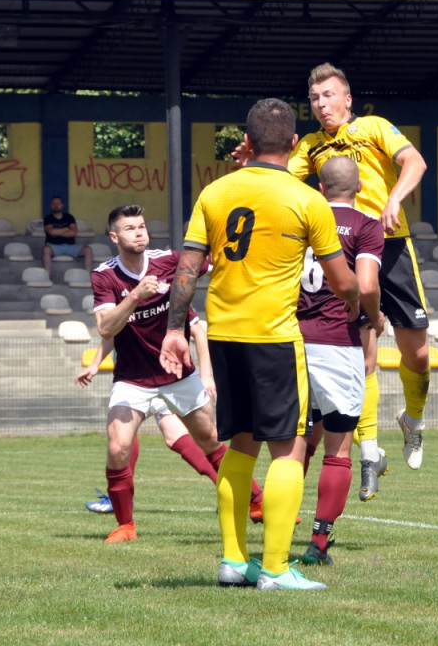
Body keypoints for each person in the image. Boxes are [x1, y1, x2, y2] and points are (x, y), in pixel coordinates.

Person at [160, 98, 359, 592]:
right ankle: (274, 568)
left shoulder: (215, 191)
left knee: (240, 446)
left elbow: (187, 270)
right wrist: (363, 302)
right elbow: (341, 282)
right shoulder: (307, 199)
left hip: (224, 335)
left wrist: (173, 329)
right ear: (294, 144)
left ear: (246, 142)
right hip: (273, 338)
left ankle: (233, 560)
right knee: (289, 450)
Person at [239, 62, 430, 471]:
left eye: (328, 96)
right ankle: (365, 451)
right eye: (314, 98)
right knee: (363, 355)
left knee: (419, 355)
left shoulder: (376, 127)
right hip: (340, 254)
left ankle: (412, 420)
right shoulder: (308, 145)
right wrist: (249, 163)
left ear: (347, 98)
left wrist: (395, 197)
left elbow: (415, 163)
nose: (321, 104)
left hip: (391, 245)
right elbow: (274, 179)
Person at [90, 204, 225, 543]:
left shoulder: (171, 261)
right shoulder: (104, 276)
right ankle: (126, 526)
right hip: (133, 378)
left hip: (178, 372)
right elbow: (106, 328)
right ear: (114, 236)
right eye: (130, 228)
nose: (139, 232)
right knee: (118, 444)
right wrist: (136, 295)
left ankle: (256, 501)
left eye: (142, 226)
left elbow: (215, 262)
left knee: (209, 439)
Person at [297, 156, 386, 566]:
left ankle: (276, 528)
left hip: (291, 340)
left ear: (320, 187)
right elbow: (365, 284)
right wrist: (374, 315)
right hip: (336, 344)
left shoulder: (301, 219)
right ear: (361, 188)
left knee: (294, 443)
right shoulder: (366, 226)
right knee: (338, 448)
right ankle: (318, 543)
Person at [78, 334, 269, 519]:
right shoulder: (125, 306)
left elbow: (198, 331)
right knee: (173, 437)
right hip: (141, 377)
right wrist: (95, 364)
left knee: (203, 440)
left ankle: (254, 498)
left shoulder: (166, 302)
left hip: (163, 378)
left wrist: (206, 375)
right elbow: (110, 331)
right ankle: (256, 499)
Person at [42, 195, 93, 273]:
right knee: (46, 250)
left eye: (58, 203)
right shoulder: (48, 218)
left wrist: (57, 232)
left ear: (62, 205)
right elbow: (51, 232)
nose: (56, 205)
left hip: (70, 246)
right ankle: (46, 275)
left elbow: (73, 233)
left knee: (88, 250)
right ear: (50, 206)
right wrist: (66, 229)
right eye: (54, 204)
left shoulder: (69, 217)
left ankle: (87, 275)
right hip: (54, 246)